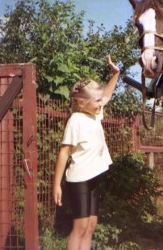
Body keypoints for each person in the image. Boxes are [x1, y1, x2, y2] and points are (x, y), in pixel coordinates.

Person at [53, 55, 120, 250]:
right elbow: (64, 153)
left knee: (91, 226)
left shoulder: (95, 114)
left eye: (100, 101)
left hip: (93, 177)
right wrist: (56, 185)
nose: (101, 104)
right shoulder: (76, 119)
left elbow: (106, 95)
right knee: (80, 226)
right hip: (79, 179)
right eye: (96, 101)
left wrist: (115, 74)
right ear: (82, 103)